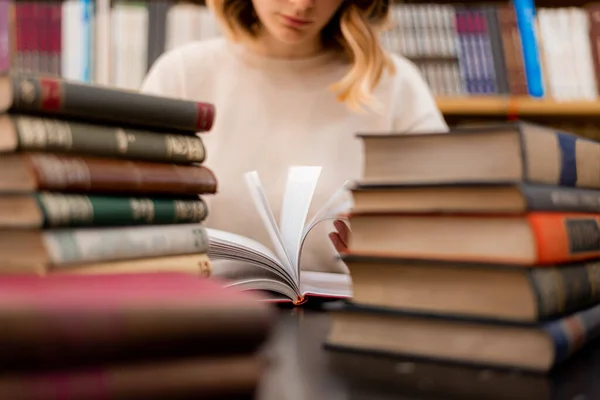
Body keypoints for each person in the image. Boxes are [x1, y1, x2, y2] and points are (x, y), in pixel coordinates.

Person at [140, 0, 449, 275]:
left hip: (348, 316)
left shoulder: (395, 84)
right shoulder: (180, 74)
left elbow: (445, 226)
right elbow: (138, 217)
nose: (302, 5)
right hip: (201, 315)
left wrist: (387, 248)